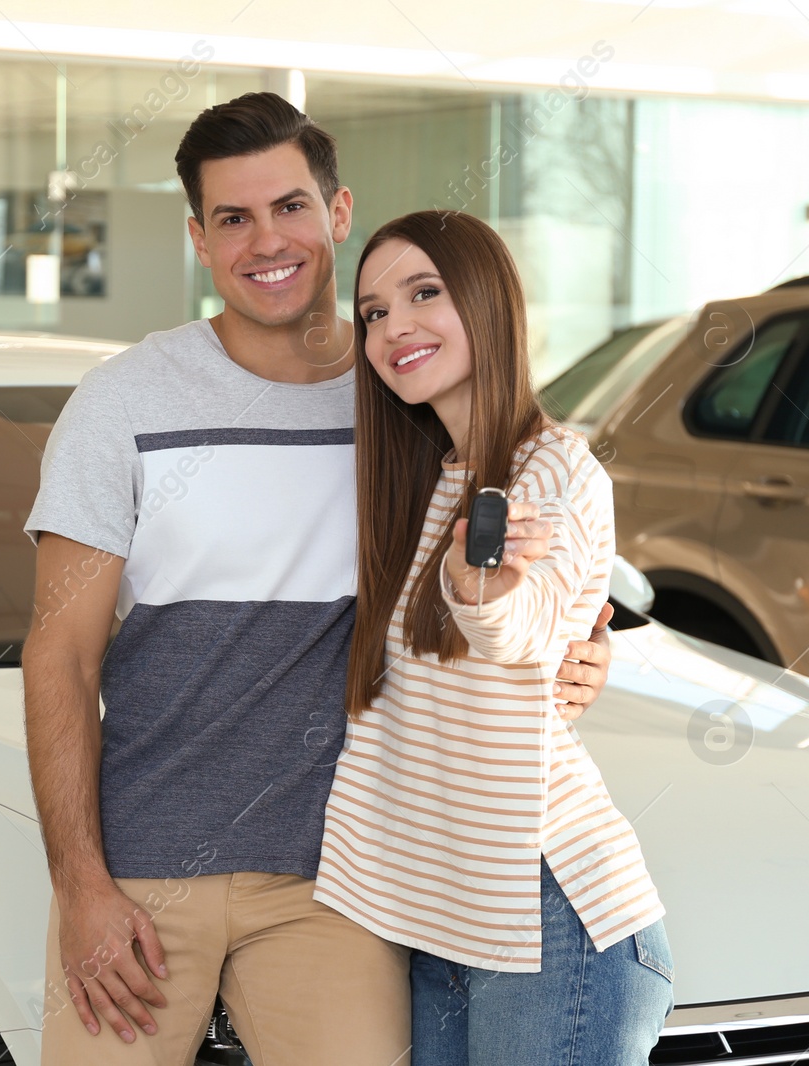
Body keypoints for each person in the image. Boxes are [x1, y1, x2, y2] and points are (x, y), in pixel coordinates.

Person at [21, 93, 617, 1066]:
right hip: (141, 879)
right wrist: (81, 885)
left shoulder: (405, 399)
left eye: (290, 206)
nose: (268, 239)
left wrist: (585, 651)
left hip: (341, 883)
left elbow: (524, 575)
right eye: (233, 217)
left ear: (337, 214)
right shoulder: (122, 400)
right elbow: (61, 651)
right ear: (198, 238)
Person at [313, 209, 675, 1066]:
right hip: (450, 917)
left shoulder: (554, 470)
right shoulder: (419, 482)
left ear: (488, 302)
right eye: (371, 312)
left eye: (423, 292)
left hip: (555, 918)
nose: (393, 325)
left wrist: (483, 592)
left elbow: (527, 622)